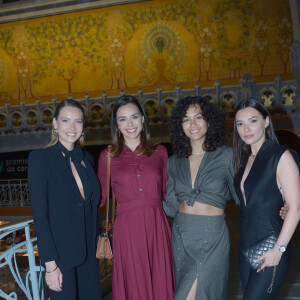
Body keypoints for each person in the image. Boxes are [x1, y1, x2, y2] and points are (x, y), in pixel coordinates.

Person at [97, 95, 174, 300]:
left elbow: (169, 194)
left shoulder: (160, 152)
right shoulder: (108, 156)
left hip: (157, 225)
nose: (129, 124)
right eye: (122, 119)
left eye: (134, 117)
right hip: (127, 228)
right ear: (116, 124)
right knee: (133, 282)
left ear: (142, 119)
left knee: (160, 280)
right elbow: (100, 199)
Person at [163, 95, 239, 300]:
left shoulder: (227, 155)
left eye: (198, 117)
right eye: (186, 119)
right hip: (182, 236)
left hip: (213, 236)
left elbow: (242, 195)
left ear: (208, 121)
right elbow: (170, 207)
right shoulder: (173, 162)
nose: (193, 124)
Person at [28, 99, 102, 300]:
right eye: (66, 121)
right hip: (61, 258)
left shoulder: (86, 159)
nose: (72, 127)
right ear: (54, 123)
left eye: (78, 122)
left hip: (89, 255)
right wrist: (50, 265)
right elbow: (40, 216)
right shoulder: (41, 159)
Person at [233, 98, 300, 299]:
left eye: (253, 121)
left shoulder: (281, 156)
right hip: (244, 247)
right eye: (240, 123)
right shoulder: (244, 161)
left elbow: (295, 209)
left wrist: (279, 249)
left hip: (271, 246)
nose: (246, 128)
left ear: (266, 121)